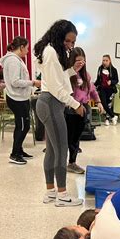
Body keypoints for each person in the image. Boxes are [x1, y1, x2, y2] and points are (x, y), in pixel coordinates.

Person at [33, 19, 86, 207]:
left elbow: (58, 77)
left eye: (73, 42)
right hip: (50, 103)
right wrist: (75, 104)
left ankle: (50, 192)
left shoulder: (52, 50)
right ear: (59, 35)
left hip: (49, 103)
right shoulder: (50, 52)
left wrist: (72, 70)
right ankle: (62, 195)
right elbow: (56, 87)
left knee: (53, 151)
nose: (71, 45)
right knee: (61, 149)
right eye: (68, 41)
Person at [0, 36, 41, 164]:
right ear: (21, 47)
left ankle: (19, 150)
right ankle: (14, 154)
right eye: (27, 48)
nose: (28, 51)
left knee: (22, 125)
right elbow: (15, 81)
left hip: (20, 97)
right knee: (23, 126)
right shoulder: (12, 61)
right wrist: (33, 82)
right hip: (16, 98)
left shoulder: (15, 60)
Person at [66, 47, 104, 174]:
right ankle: (68, 161)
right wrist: (74, 70)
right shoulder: (68, 74)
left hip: (83, 108)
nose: (81, 63)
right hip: (71, 109)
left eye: (83, 61)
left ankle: (72, 162)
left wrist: (98, 102)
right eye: (78, 60)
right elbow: (65, 92)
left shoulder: (86, 75)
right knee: (69, 138)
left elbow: (92, 90)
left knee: (76, 138)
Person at [94, 54, 118, 126]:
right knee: (104, 103)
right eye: (103, 60)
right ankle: (113, 116)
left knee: (109, 104)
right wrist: (93, 86)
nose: (104, 62)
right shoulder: (100, 68)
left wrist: (111, 82)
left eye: (106, 60)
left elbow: (116, 80)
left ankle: (107, 119)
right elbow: (98, 79)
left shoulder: (113, 70)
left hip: (110, 89)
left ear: (109, 61)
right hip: (102, 89)